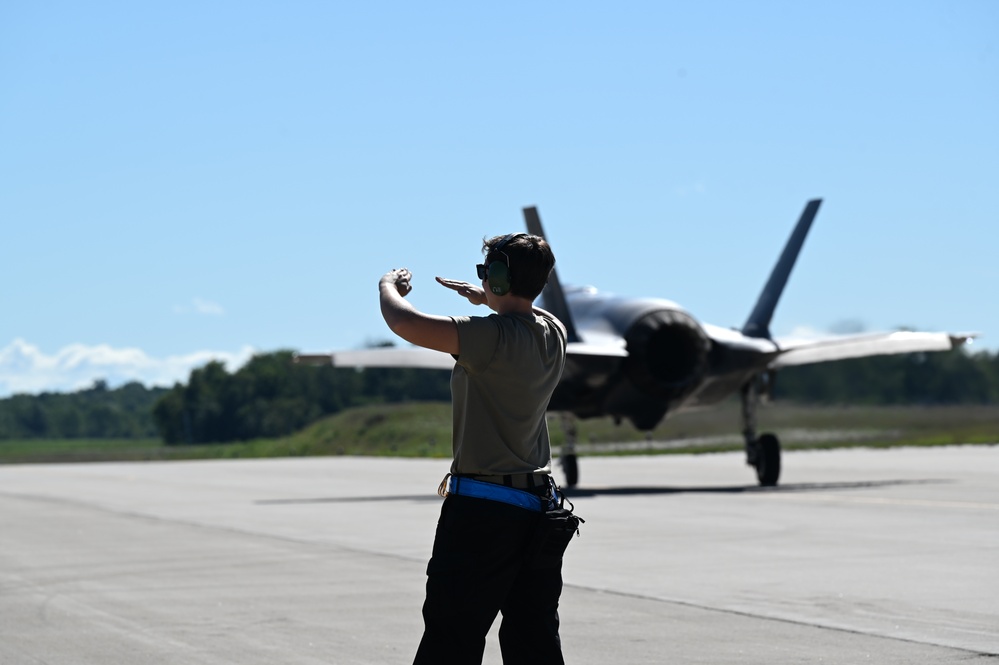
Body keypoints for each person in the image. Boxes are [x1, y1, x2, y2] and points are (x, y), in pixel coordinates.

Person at [378, 232, 572, 665]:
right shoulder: (553, 332)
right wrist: (488, 298)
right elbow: (529, 312)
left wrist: (387, 285)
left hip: (483, 516)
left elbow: (404, 323)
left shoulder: (489, 338)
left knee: (452, 637)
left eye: (487, 272)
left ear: (500, 279)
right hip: (540, 511)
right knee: (534, 639)